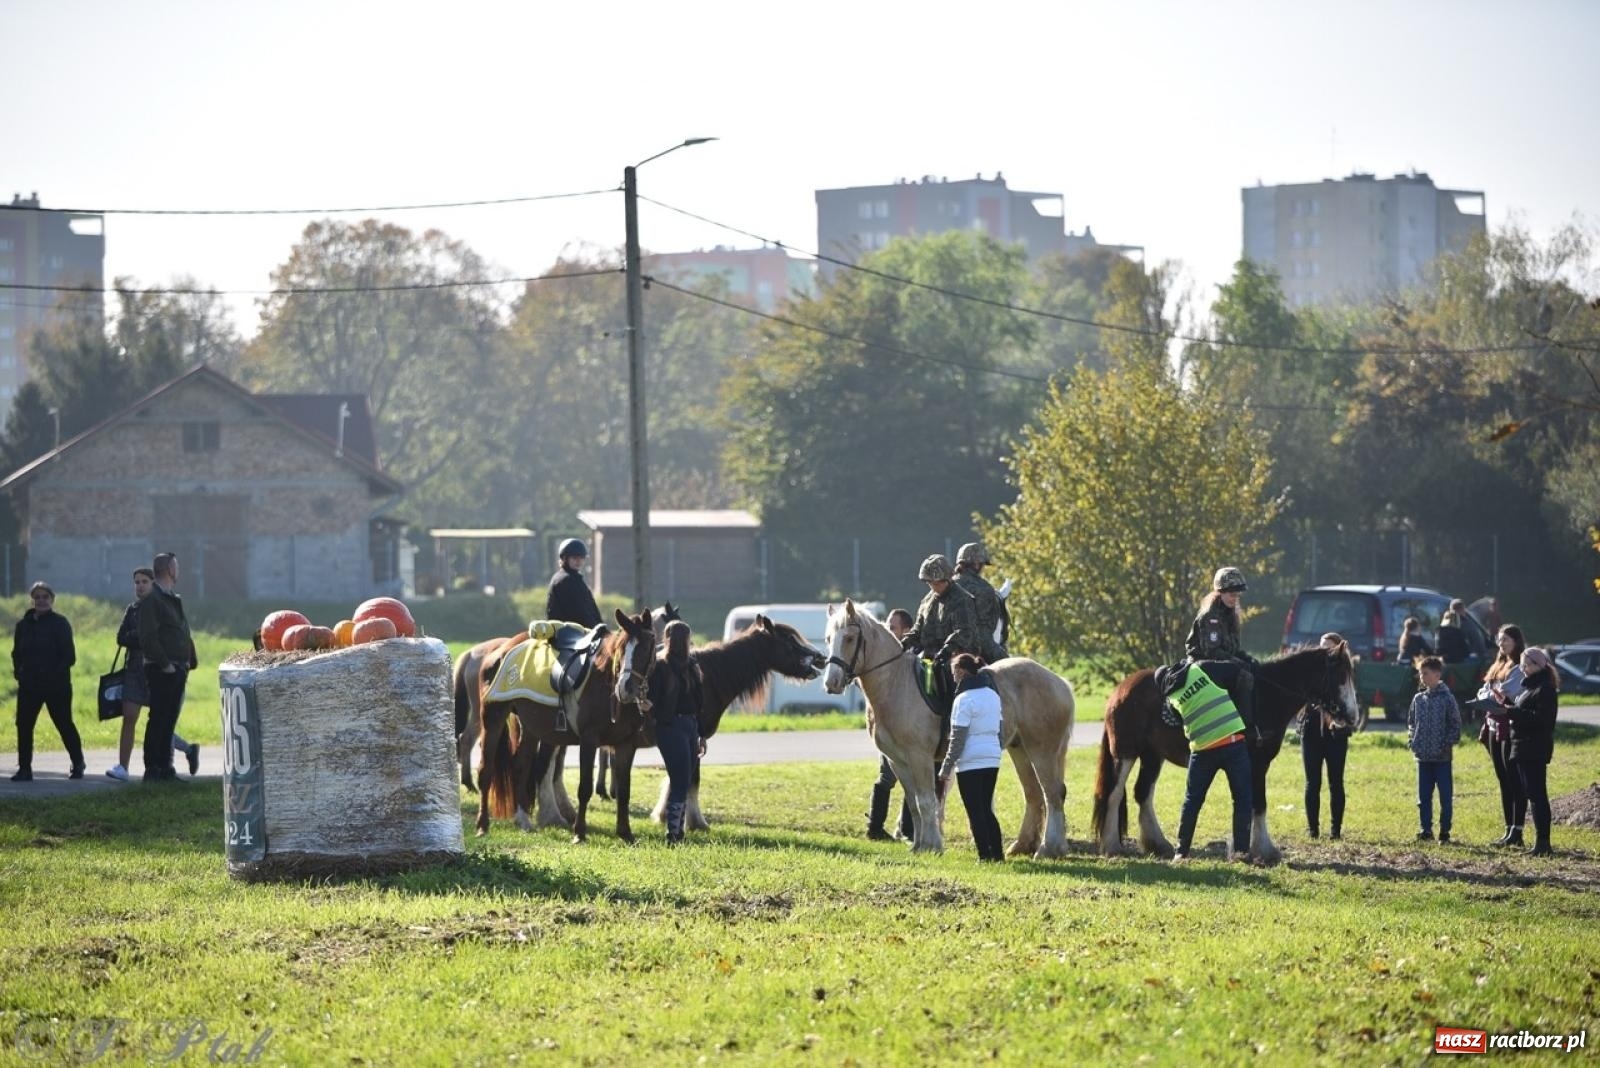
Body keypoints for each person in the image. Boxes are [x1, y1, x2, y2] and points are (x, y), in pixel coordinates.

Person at [106, 568, 198, 782]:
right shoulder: (133, 609)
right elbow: (122, 637)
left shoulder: (164, 605)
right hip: (135, 669)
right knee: (130, 716)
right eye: (136, 582)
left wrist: (153, 639)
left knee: (161, 720)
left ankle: (176, 758)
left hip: (157, 668)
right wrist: (146, 635)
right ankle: (123, 767)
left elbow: (177, 635)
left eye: (144, 582)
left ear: (153, 583)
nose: (140, 586)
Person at [1170, 657, 1253, 861]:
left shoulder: (1170, 696)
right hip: (1232, 741)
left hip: (1202, 750)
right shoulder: (1201, 668)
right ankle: (1241, 852)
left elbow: (1179, 721)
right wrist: (1246, 716)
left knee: (1192, 802)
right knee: (1242, 799)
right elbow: (1238, 671)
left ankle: (1181, 852)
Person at [10, 582, 85, 782]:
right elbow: (16, 653)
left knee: (63, 723)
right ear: (32, 600)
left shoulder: (60, 623)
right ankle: (24, 769)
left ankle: (78, 763)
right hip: (29, 686)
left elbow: (69, 657)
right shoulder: (23, 626)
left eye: (45, 597)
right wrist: (20, 673)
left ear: (52, 599)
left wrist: (52, 674)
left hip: (56, 686)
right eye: (37, 597)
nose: (41, 600)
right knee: (24, 725)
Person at [936, 653, 1006, 862]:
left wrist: (945, 767)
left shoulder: (962, 699)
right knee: (986, 809)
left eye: (954, 672)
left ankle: (984, 855)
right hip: (992, 758)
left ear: (961, 671)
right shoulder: (993, 695)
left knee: (975, 811)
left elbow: (957, 739)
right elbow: (1001, 730)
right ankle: (998, 854)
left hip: (970, 762)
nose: (953, 678)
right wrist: (993, 750)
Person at [136, 552, 197, 784]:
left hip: (178, 668)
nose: (178, 571)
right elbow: (148, 637)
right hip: (162, 669)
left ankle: (166, 768)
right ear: (170, 570)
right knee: (159, 719)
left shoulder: (171, 598)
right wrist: (166, 665)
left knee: (169, 720)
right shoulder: (153, 600)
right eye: (177, 567)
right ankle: (153, 769)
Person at [648, 620, 704, 845]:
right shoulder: (661, 667)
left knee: (684, 778)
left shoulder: (691, 666)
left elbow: (698, 701)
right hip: (671, 727)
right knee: (680, 780)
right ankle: (674, 834)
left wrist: (701, 734)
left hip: (689, 725)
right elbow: (654, 698)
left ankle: (676, 831)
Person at [1498, 647, 1558, 856]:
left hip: (1533, 748)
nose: (1522, 669)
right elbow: (1525, 712)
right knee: (1533, 794)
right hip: (1523, 747)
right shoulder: (1531, 688)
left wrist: (1512, 711)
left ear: (1536, 665)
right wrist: (1506, 706)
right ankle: (1540, 843)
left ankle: (1543, 843)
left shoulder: (1545, 689)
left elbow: (1542, 719)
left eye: (1525, 665)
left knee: (1537, 795)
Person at [1185, 567, 1257, 735]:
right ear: (1220, 593)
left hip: (1222, 661)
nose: (1235, 599)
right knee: (1244, 676)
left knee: (1254, 669)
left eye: (1237, 595)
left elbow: (1233, 649)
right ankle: (1245, 728)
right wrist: (1237, 663)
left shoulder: (1230, 615)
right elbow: (1212, 651)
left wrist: (1248, 660)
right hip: (1202, 663)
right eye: (1232, 595)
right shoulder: (1211, 616)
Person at [866, 609, 917, 841]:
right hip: (887, 728)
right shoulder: (884, 658)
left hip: (906, 727)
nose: (889, 631)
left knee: (910, 777)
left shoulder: (914, 657)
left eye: (893, 627)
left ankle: (906, 830)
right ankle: (875, 828)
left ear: (907, 631)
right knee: (887, 777)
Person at [1478, 625, 1528, 847]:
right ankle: (1508, 830)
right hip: (1492, 725)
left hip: (1508, 726)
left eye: (1506, 639)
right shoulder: (1498, 664)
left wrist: (1492, 693)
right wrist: (1491, 693)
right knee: (1502, 779)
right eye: (1499, 640)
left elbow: (1506, 692)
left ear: (1516, 640)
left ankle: (1518, 831)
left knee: (1513, 780)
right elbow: (1484, 691)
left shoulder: (1519, 666)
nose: (1502, 643)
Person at [1302, 631, 1353, 839]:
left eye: (1328, 647)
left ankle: (1335, 831)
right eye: (1321, 646)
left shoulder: (1343, 674)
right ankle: (1313, 830)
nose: (1323, 650)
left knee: (1336, 782)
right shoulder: (1311, 672)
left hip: (1336, 735)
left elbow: (1349, 703)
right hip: (1311, 731)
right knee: (1312, 782)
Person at [1407, 656, 1462, 843]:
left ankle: (1445, 832)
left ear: (1437, 674)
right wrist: (1412, 741)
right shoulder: (1418, 699)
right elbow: (1411, 723)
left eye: (1426, 673)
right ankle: (1426, 830)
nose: (1422, 677)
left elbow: (1455, 724)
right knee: (1423, 798)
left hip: (1442, 758)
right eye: (1420, 673)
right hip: (1422, 757)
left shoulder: (1447, 699)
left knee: (1445, 797)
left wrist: (1446, 744)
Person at [900, 555, 979, 660]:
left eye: (936, 583)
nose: (933, 586)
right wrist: (904, 643)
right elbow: (918, 629)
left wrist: (946, 650)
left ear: (946, 579)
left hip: (956, 660)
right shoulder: (927, 601)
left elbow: (965, 632)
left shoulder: (962, 600)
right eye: (929, 583)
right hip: (928, 658)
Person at [952, 542, 1007, 662]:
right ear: (977, 564)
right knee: (1015, 670)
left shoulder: (946, 585)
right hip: (973, 650)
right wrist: (1002, 657)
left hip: (944, 647)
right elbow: (982, 633)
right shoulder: (984, 589)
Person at [546, 538, 602, 628]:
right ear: (565, 558)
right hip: (565, 632)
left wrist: (602, 628)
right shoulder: (564, 580)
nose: (579, 561)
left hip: (578, 630)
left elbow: (592, 608)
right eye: (575, 558)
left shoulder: (575, 579)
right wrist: (596, 629)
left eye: (581, 558)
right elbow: (579, 612)